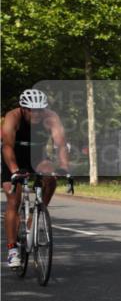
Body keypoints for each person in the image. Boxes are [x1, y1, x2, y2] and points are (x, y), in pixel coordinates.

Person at [2, 89, 71, 268]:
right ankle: (12, 250)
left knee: (51, 178)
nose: (37, 114)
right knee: (13, 200)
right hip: (13, 157)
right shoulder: (12, 117)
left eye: (40, 110)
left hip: (37, 156)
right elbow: (7, 146)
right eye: (32, 110)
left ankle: (36, 214)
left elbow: (60, 143)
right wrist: (15, 170)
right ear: (23, 109)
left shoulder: (51, 117)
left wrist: (64, 166)